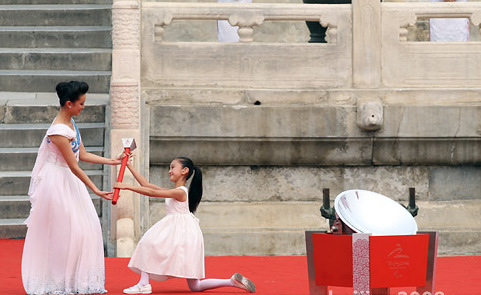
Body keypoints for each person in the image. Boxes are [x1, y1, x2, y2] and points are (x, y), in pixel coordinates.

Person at [21, 81, 121, 295]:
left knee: (87, 228)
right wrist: (96, 189)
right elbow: (74, 166)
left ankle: (76, 280)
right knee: (67, 232)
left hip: (69, 179)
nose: (83, 107)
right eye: (81, 103)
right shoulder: (57, 131)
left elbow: (82, 154)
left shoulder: (72, 124)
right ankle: (56, 281)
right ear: (69, 104)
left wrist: (113, 161)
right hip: (57, 181)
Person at [113, 156, 256, 294]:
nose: (170, 170)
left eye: (173, 167)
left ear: (184, 171)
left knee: (148, 243)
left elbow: (151, 192)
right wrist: (129, 165)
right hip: (184, 231)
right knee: (195, 286)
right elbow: (147, 185)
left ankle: (144, 284)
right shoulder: (177, 191)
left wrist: (126, 186)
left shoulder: (180, 192)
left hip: (182, 232)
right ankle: (231, 282)